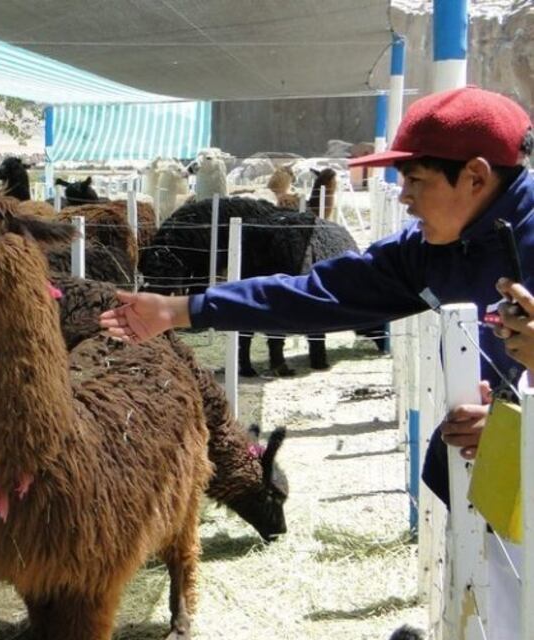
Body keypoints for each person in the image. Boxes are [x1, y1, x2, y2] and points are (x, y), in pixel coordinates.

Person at [99, 85, 534, 507]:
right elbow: (317, 293)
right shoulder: (429, 252)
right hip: (488, 493)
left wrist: (522, 429)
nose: (405, 198)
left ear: (475, 176)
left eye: (416, 180)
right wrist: (181, 309)